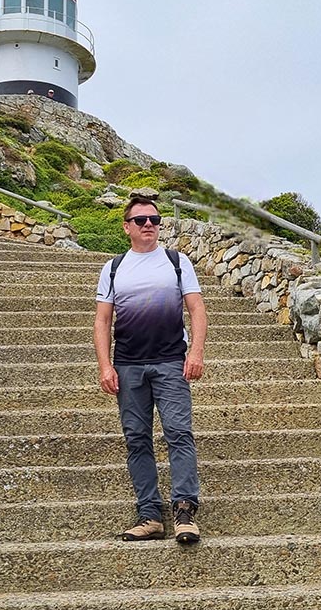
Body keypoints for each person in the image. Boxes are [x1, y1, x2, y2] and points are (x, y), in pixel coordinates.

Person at [93, 196, 206, 543]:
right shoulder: (113, 267)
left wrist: (196, 353)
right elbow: (102, 320)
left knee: (178, 433)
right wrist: (105, 366)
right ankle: (150, 514)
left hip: (171, 361)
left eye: (154, 220)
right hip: (128, 366)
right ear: (127, 227)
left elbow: (197, 310)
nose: (149, 225)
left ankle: (184, 510)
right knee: (137, 439)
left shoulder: (177, 262)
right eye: (140, 220)